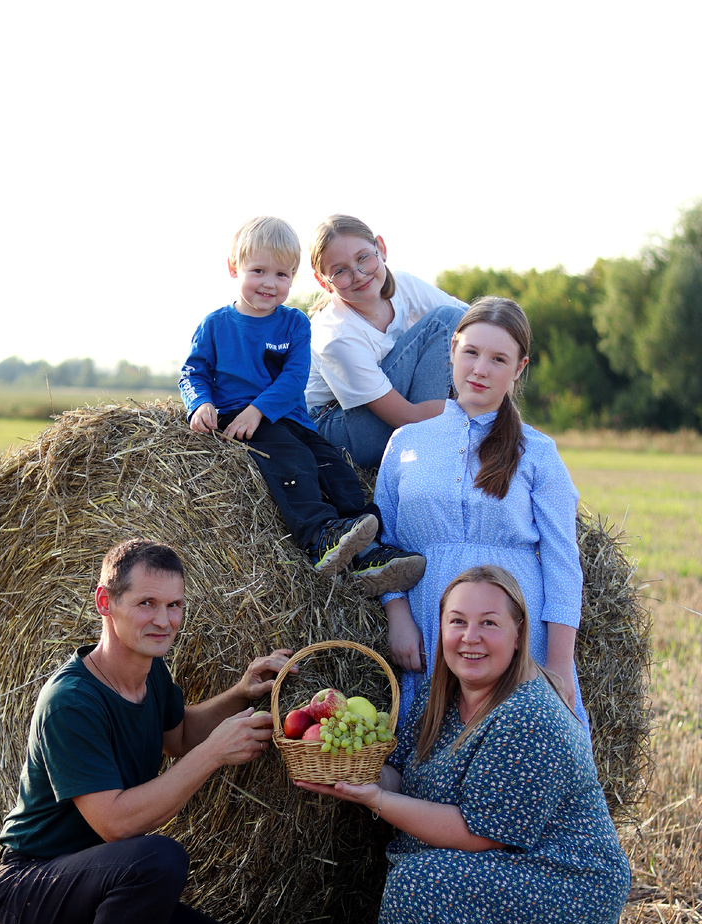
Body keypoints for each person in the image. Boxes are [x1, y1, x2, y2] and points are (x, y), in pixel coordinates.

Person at [297, 567, 661, 924]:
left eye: (489, 623)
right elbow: (402, 776)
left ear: (517, 636)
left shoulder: (529, 713)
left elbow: (479, 833)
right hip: (510, 865)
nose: (470, 638)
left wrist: (374, 800)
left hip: (564, 876)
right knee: (417, 878)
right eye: (457, 621)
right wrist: (345, 766)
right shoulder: (436, 697)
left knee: (423, 883)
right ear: (439, 627)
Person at [0, 538, 293, 924]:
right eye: (146, 604)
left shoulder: (151, 676)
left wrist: (241, 692)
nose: (164, 620)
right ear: (106, 603)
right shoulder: (72, 701)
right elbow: (117, 824)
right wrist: (215, 755)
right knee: (157, 857)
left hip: (105, 886)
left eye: (174, 606)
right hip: (33, 887)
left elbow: (179, 736)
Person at [178, 215, 425, 596]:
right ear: (233, 267)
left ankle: (370, 553)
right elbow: (193, 372)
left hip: (289, 418)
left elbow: (293, 377)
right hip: (241, 419)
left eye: (282, 275)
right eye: (258, 271)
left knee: (337, 469)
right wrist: (200, 404)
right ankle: (319, 536)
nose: (269, 283)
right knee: (293, 462)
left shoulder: (294, 323)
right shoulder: (216, 325)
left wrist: (261, 408)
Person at [375, 294, 588, 727]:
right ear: (451, 349)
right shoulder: (405, 442)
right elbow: (384, 543)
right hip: (432, 622)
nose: (480, 369)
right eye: (471, 352)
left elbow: (564, 563)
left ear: (519, 368)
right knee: (429, 759)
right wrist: (397, 614)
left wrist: (561, 663)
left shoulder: (538, 453)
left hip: (512, 632)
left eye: (498, 358)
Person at [306, 214, 468, 468]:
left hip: (385, 408)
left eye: (363, 258)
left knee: (462, 324)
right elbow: (407, 416)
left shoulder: (403, 284)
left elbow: (473, 321)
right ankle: (430, 456)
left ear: (381, 248)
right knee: (443, 322)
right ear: (323, 282)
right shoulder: (336, 336)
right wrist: (475, 413)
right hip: (334, 431)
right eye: (340, 271)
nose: (358, 275)